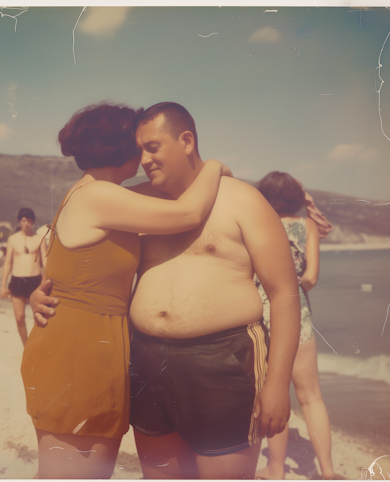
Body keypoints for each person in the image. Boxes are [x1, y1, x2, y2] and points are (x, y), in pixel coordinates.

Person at [31, 102, 301, 479]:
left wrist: (277, 382)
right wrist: (42, 291)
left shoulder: (242, 200)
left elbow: (285, 293)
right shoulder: (130, 203)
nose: (142, 159)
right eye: (138, 149)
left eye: (152, 147)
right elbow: (71, 250)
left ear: (186, 140)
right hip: (144, 363)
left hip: (221, 362)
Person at [20, 102, 228, 479]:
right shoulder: (99, 197)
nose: (145, 154)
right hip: (80, 352)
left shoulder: (90, 192)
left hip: (87, 345)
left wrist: (40, 293)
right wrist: (213, 166)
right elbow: (188, 214)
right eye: (139, 144)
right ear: (120, 147)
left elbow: (61, 263)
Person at [253, 172, 341, 480]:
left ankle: (275, 470)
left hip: (260, 313)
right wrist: (309, 202)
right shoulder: (308, 226)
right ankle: (328, 472)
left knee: (273, 393)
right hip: (298, 314)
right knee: (312, 396)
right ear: (296, 197)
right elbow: (311, 278)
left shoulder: (258, 223)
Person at [0, 208, 47, 346]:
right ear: (20, 221)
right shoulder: (12, 239)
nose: (26, 224)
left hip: (35, 281)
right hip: (17, 280)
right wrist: (3, 286)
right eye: (24, 220)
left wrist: (46, 279)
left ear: (33, 222)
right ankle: (26, 346)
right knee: (19, 317)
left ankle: (36, 346)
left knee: (37, 317)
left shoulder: (39, 239)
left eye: (29, 221)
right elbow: (8, 263)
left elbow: (45, 261)